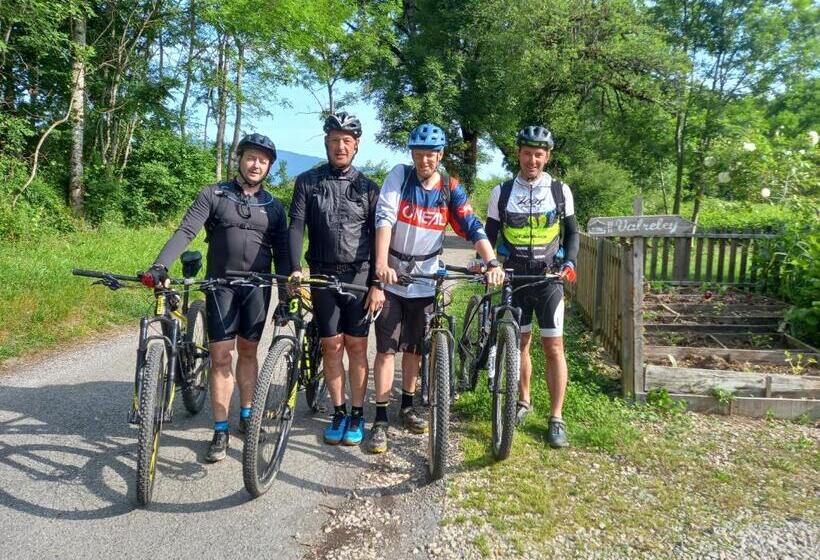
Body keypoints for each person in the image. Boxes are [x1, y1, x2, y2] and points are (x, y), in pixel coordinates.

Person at [141, 133, 291, 462]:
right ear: (240, 159)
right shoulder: (215, 194)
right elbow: (186, 230)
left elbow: (283, 255)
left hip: (257, 289)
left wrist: (286, 295)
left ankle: (248, 416)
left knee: (249, 354)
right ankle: (220, 429)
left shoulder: (274, 208)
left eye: (263, 161)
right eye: (251, 157)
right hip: (220, 286)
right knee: (221, 357)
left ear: (269, 167)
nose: (256, 165)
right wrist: (160, 265)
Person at [368, 123, 505, 454]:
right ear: (411, 154)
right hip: (394, 275)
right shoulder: (399, 177)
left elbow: (472, 226)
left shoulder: (449, 188)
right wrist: (380, 269)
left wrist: (492, 262)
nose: (424, 159)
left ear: (440, 155)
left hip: (427, 278)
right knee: (387, 348)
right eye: (418, 153)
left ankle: (408, 406)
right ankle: (381, 419)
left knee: (414, 348)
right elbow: (384, 220)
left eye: (430, 154)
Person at [288, 112, 383, 447]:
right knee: (331, 345)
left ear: (356, 146)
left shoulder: (369, 188)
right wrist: (294, 266)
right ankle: (339, 411)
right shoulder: (308, 182)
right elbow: (297, 226)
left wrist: (377, 284)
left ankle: (357, 413)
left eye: (346, 141)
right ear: (326, 143)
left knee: (356, 346)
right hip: (322, 274)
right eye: (334, 141)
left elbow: (379, 238)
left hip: (358, 275)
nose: (340, 146)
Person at [484, 125, 579, 448]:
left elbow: (573, 233)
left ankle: (556, 418)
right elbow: (490, 235)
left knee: (553, 347)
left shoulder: (559, 190)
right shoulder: (502, 192)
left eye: (539, 154)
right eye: (527, 153)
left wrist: (570, 263)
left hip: (549, 278)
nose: (532, 160)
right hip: (515, 277)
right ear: (518, 154)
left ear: (547, 156)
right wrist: (489, 263)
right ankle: (524, 400)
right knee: (520, 342)